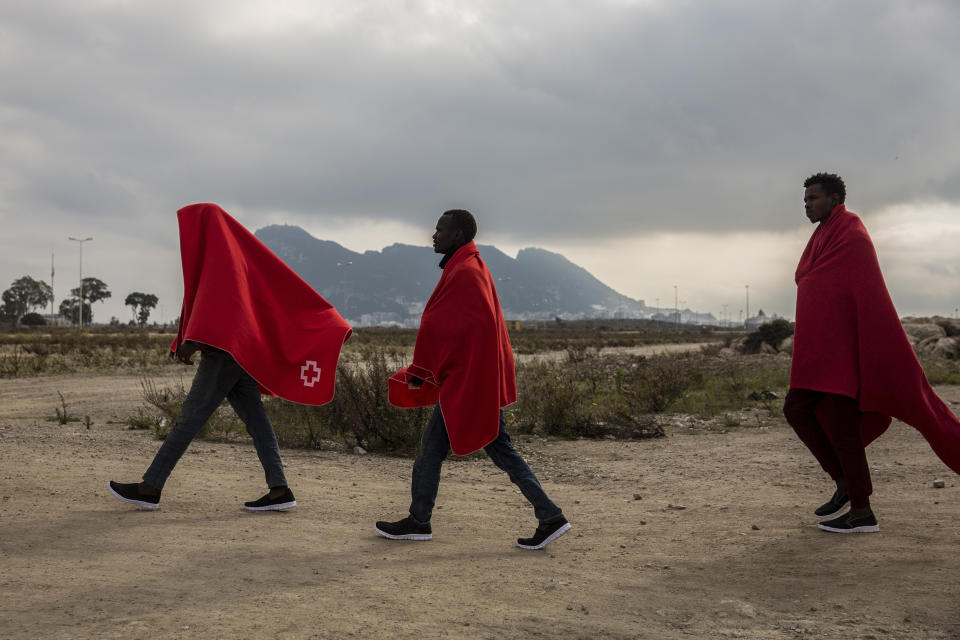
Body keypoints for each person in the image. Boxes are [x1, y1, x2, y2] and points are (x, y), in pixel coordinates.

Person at [109, 203, 351, 511]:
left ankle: (150, 487)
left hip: (225, 351)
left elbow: (219, 305)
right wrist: (185, 338)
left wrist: (192, 341)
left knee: (190, 417)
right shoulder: (228, 255)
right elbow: (208, 299)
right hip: (241, 351)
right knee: (256, 420)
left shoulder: (221, 258)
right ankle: (279, 490)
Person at [375, 209, 570, 550]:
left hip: (472, 383)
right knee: (436, 450)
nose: (433, 235)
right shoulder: (466, 267)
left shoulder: (465, 272)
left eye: (440, 229)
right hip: (471, 380)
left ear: (458, 235)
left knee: (494, 448)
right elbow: (458, 327)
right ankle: (419, 521)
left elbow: (453, 328)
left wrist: (426, 369)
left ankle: (549, 515)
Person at [784, 173, 960, 533]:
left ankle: (861, 511)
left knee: (841, 426)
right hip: (822, 353)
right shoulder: (822, 235)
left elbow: (861, 294)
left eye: (813, 198)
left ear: (834, 199)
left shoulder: (851, 233)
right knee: (800, 410)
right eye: (804, 199)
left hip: (847, 354)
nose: (807, 204)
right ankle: (848, 488)